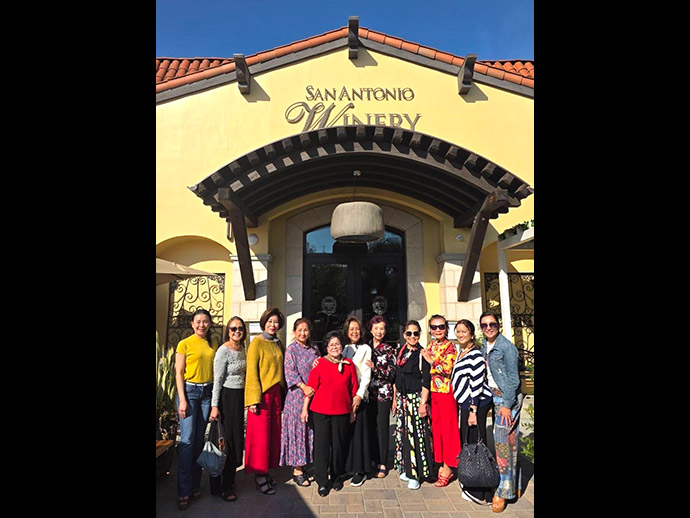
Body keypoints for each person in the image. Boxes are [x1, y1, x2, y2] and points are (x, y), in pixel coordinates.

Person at [302, 331, 359, 497]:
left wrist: (353, 411)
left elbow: (353, 389)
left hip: (342, 411)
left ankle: (336, 476)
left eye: (337, 344)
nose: (334, 347)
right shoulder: (320, 364)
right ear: (326, 347)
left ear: (342, 346)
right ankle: (321, 480)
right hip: (321, 412)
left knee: (339, 446)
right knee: (322, 446)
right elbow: (311, 388)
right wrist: (305, 408)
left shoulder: (348, 364)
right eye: (331, 344)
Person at [479, 311, 523, 513]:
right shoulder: (485, 345)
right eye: (484, 325)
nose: (488, 328)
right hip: (495, 396)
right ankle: (516, 485)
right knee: (509, 443)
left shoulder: (506, 347)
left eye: (492, 324)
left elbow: (514, 379)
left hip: (507, 399)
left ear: (499, 325)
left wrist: (506, 404)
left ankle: (503, 492)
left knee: (503, 446)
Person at [174, 308, 219, 510]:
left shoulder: (213, 343)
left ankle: (194, 485)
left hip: (206, 394)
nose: (202, 324)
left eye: (205, 321)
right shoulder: (184, 344)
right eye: (198, 321)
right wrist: (182, 400)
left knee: (199, 440)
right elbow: (179, 373)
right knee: (187, 441)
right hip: (190, 393)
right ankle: (183, 490)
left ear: (210, 324)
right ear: (192, 323)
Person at [450, 319, 494, 503]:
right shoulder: (462, 352)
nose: (460, 334)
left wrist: (473, 410)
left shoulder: (474, 355)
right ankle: (472, 482)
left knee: (476, 445)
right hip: (466, 404)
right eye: (458, 331)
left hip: (475, 404)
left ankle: (480, 489)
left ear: (471, 334)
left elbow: (476, 383)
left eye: (464, 331)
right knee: (470, 443)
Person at [244, 307, 286, 495]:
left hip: (276, 394)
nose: (273, 325)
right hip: (262, 395)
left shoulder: (278, 343)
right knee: (260, 437)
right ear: (264, 323)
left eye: (276, 322)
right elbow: (251, 372)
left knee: (273, 434)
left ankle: (267, 469)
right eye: (270, 321)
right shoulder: (256, 343)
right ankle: (259, 474)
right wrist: (253, 400)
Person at [209, 316, 248, 502]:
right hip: (226, 398)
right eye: (233, 328)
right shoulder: (223, 351)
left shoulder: (242, 349)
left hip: (239, 398)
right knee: (225, 442)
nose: (237, 331)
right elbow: (217, 380)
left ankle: (229, 480)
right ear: (228, 331)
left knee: (236, 439)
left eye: (240, 328)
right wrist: (214, 406)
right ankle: (222, 486)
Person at [392, 320, 433, 490]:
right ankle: (405, 467)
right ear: (404, 335)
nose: (412, 336)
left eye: (416, 333)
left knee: (415, 437)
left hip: (415, 399)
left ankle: (415, 474)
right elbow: (396, 377)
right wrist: (394, 399)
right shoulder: (400, 352)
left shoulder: (422, 354)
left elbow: (426, 381)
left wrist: (423, 403)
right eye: (409, 333)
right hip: (401, 399)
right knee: (402, 435)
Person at [421, 314, 460, 487]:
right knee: (437, 430)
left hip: (446, 393)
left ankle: (448, 466)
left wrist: (431, 361)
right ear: (430, 329)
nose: (438, 330)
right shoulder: (430, 346)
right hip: (434, 393)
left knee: (448, 430)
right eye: (434, 327)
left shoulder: (450, 347)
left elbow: (447, 368)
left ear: (446, 328)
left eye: (441, 327)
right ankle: (441, 462)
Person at [280, 317, 320, 487]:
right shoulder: (291, 350)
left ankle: (304, 465)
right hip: (296, 396)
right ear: (294, 332)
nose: (303, 333)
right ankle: (297, 469)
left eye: (306, 330)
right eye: (299, 330)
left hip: (313, 395)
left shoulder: (314, 349)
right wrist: (303, 387)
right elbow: (290, 372)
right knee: (298, 431)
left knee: (308, 431)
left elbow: (319, 368)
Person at [341, 317, 373, 487]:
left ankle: (360, 470)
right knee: (347, 434)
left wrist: (359, 395)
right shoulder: (344, 348)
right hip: (344, 397)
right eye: (351, 329)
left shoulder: (366, 348)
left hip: (359, 397)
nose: (354, 332)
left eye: (357, 329)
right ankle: (347, 467)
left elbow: (366, 374)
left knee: (360, 435)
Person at [365, 315, 397, 479]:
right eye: (376, 328)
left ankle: (383, 462)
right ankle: (372, 459)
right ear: (371, 329)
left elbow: (392, 374)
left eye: (382, 328)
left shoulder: (388, 349)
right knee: (370, 428)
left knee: (382, 428)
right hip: (367, 394)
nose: (379, 331)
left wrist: (375, 369)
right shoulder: (366, 347)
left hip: (383, 394)